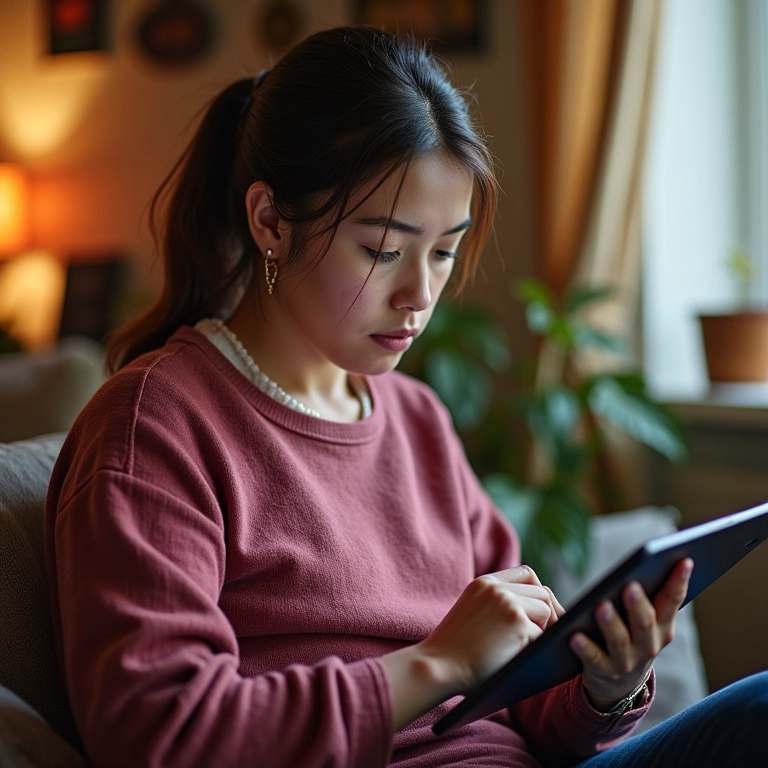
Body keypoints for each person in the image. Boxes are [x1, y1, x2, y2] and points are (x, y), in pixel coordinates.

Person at [44, 25, 765, 768]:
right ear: (270, 222)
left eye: (445, 251)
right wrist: (438, 663)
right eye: (383, 250)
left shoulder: (418, 420)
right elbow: (159, 733)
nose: (420, 295)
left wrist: (607, 686)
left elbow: (521, 701)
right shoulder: (156, 424)